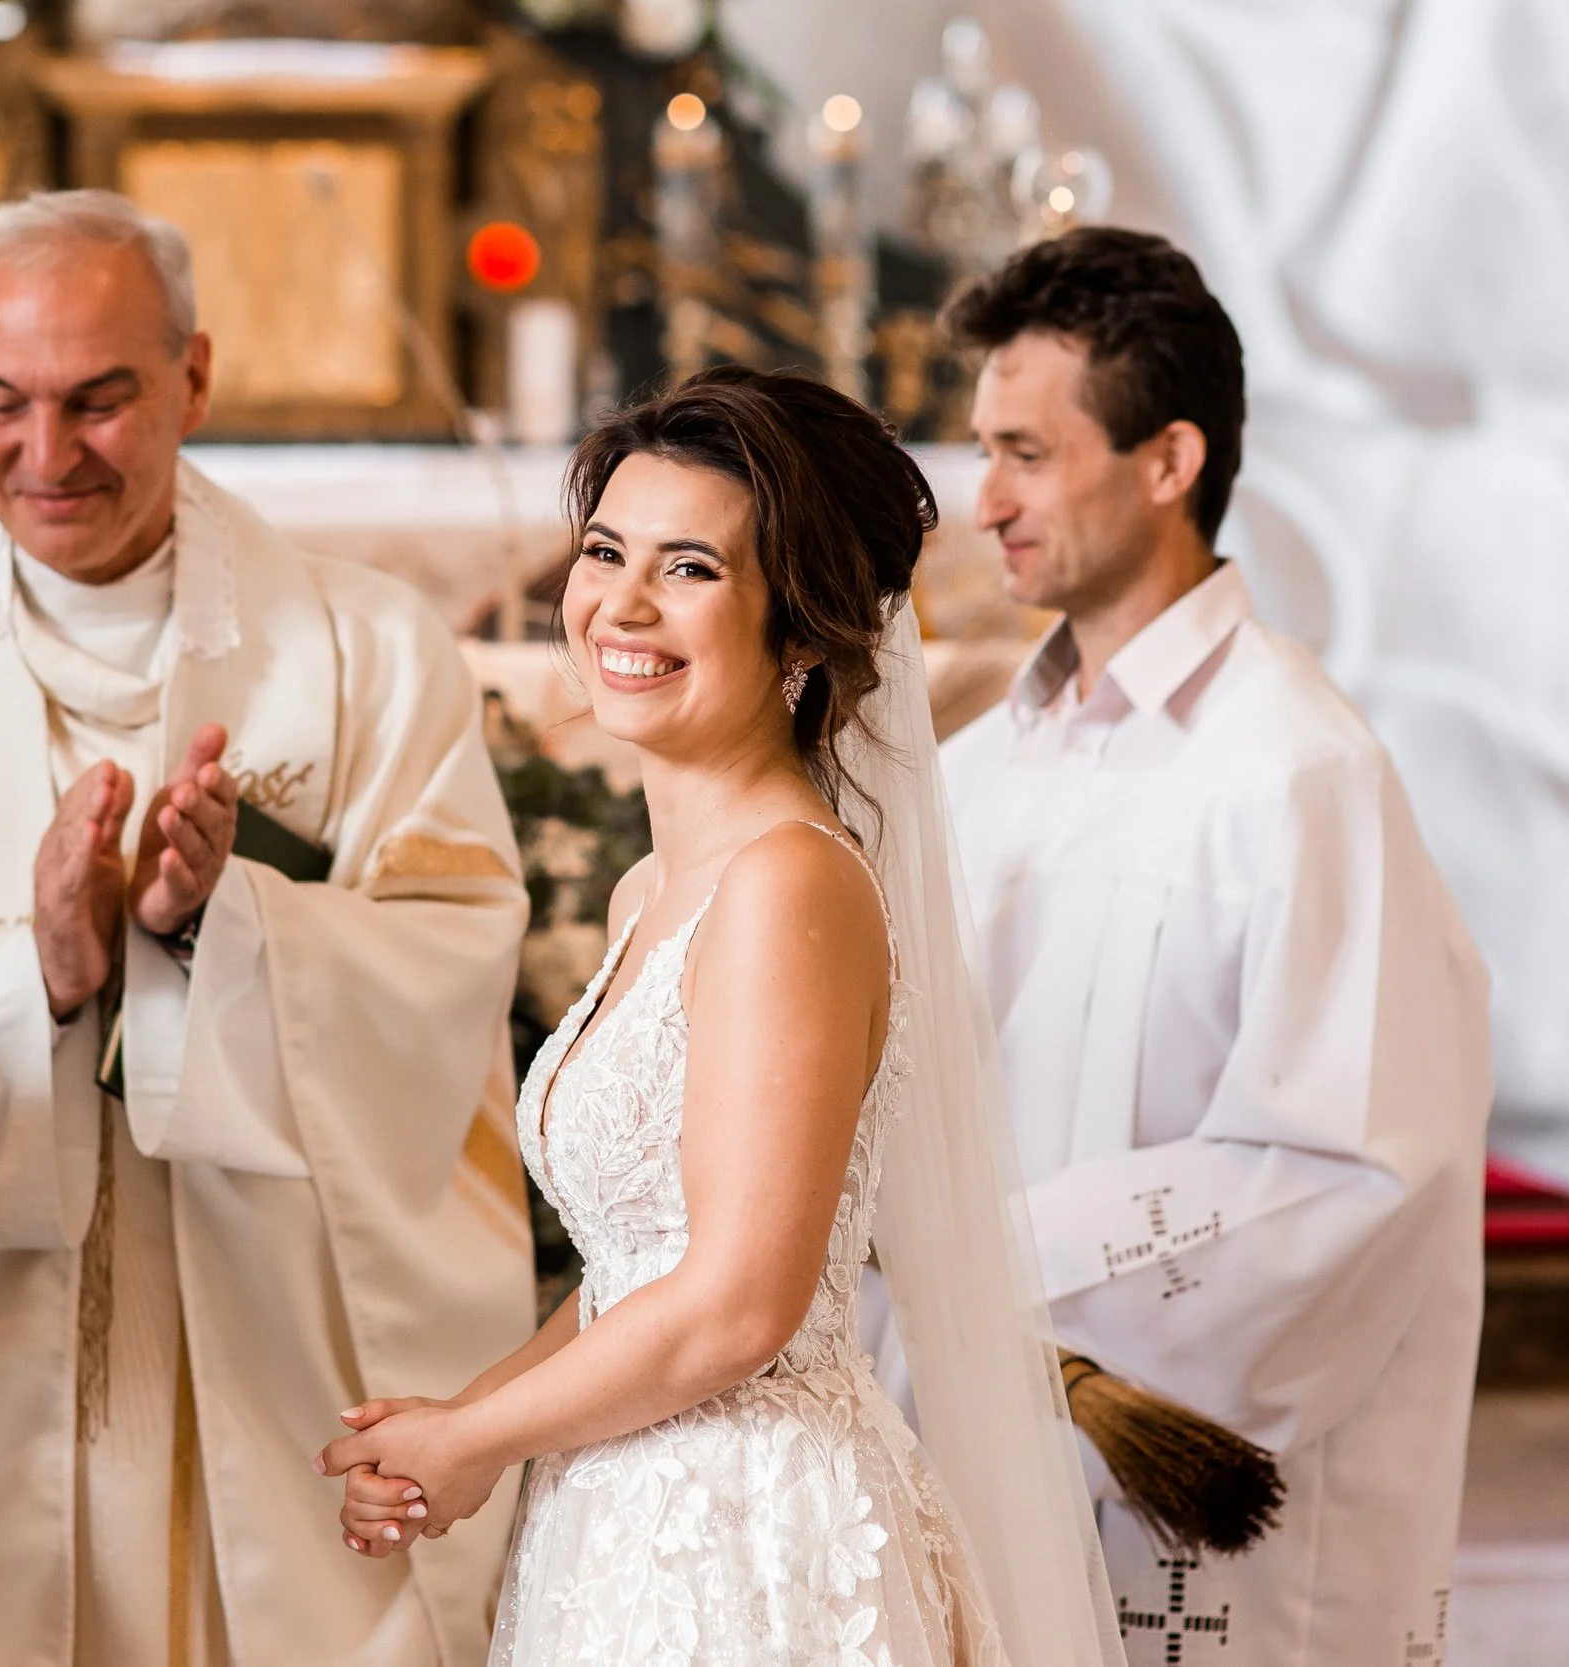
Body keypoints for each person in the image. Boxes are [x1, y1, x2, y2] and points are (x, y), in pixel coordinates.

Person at [0, 189, 536, 1666]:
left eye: (99, 402)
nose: (44, 457)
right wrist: (34, 971)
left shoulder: (367, 657)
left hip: (272, 1397)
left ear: (194, 379)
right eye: (0, 402)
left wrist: (228, 929)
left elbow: (446, 961)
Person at [320, 366, 1124, 1667]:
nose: (621, 605)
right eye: (603, 550)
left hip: (752, 1541)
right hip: (624, 1511)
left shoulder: (788, 884)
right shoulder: (660, 884)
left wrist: (474, 1440)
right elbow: (639, 1271)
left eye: (689, 568)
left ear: (801, 631)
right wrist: (460, 1423)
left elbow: (742, 1302)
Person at [941, 228, 1491, 1664]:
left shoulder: (1298, 772)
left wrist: (990, 1263)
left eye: (1026, 454)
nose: (983, 500)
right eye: (980, 452)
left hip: (1184, 1504)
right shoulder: (980, 768)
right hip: (970, 1440)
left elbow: (1356, 1165)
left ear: (1168, 461)